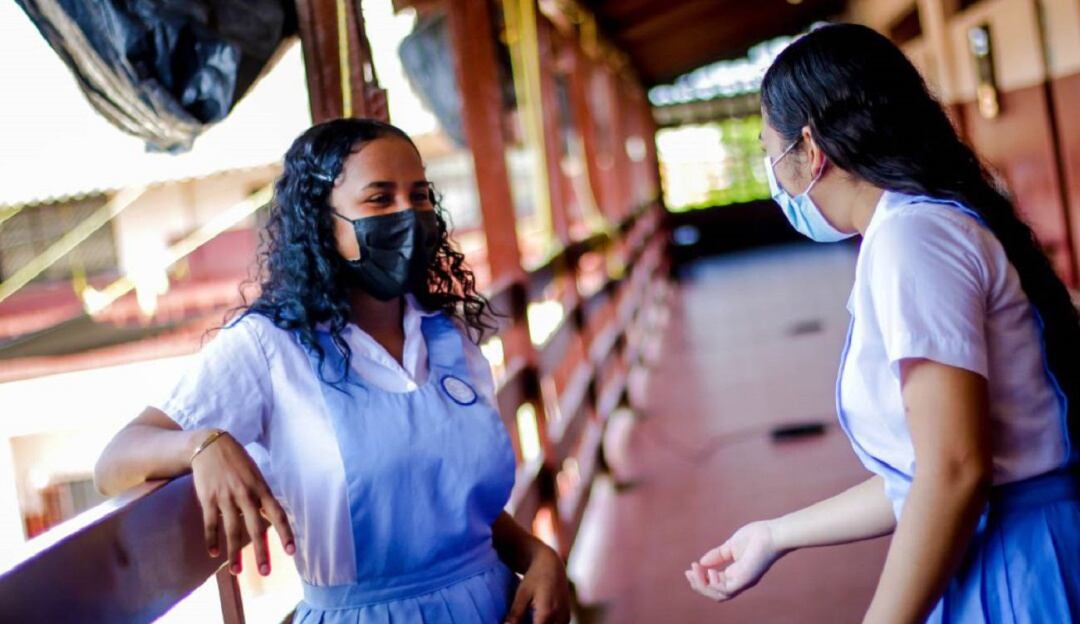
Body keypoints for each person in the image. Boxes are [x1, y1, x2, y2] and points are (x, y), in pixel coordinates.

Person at [95, 118, 570, 624]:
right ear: (322, 223)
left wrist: (538, 556)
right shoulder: (270, 348)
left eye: (420, 196)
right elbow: (113, 464)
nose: (408, 215)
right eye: (380, 200)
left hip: (493, 606)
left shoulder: (449, 335)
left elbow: (450, 504)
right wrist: (200, 445)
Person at [685, 23, 1080, 623]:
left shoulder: (913, 240)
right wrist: (775, 534)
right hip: (1003, 546)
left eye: (771, 153)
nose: (773, 178)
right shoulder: (914, 228)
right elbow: (926, 470)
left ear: (810, 152)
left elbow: (953, 471)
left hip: (1019, 565)